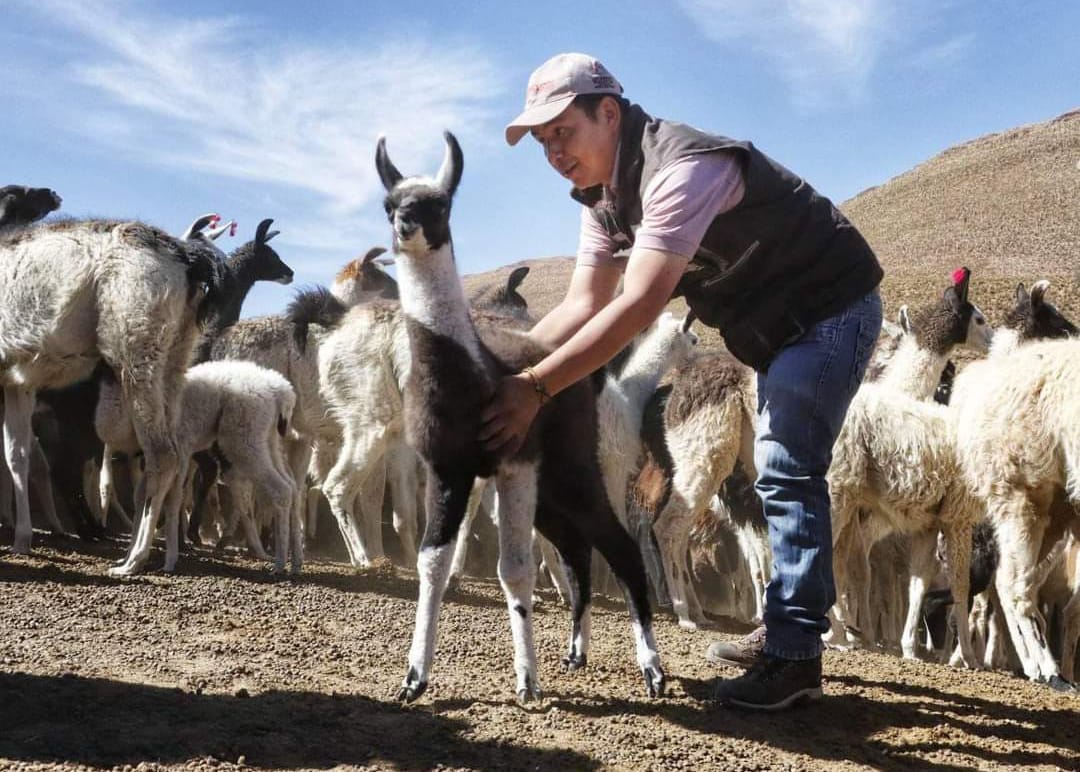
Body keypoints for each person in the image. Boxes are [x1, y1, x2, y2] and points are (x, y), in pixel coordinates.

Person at [479, 52, 883, 711]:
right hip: (776, 325)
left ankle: (796, 655)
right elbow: (583, 303)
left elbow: (636, 305)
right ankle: (787, 628)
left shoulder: (683, 169)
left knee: (787, 469)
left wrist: (534, 391)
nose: (552, 150)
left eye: (563, 131)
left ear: (608, 113)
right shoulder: (602, 201)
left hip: (832, 308)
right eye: (542, 140)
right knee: (779, 471)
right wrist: (501, 364)